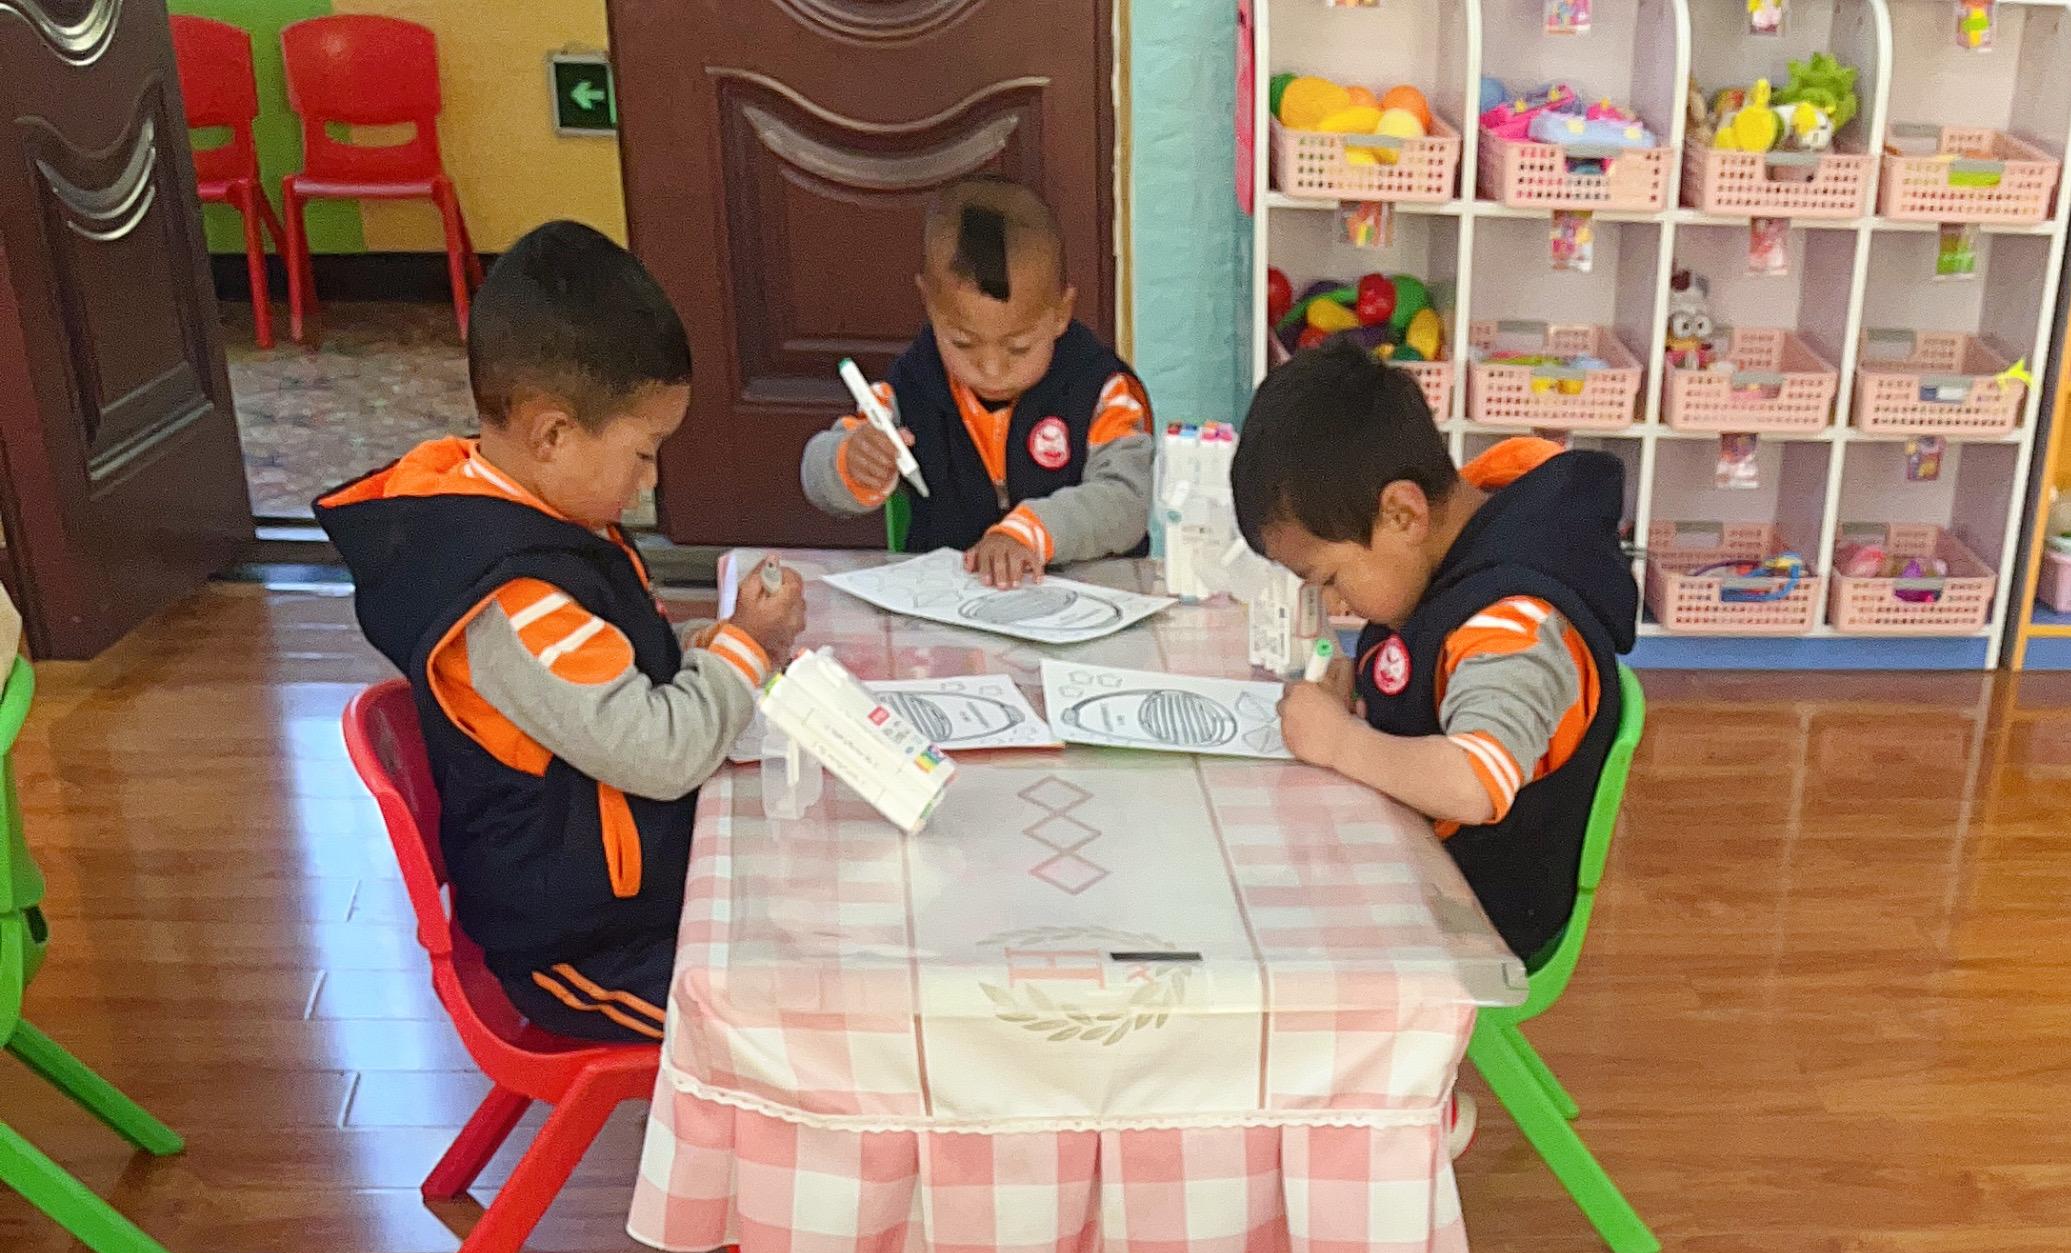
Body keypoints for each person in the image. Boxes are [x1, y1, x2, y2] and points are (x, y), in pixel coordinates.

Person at [319, 221, 806, 1050]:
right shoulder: (512, 597)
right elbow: (658, 751)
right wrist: (743, 651)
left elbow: (610, 664)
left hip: (635, 890)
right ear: (551, 435)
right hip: (582, 952)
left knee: (819, 918)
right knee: (799, 1024)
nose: (652, 480)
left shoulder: (535, 516)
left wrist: (708, 643)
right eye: (644, 453)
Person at [1232, 340, 1639, 966]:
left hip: (1473, 923)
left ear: (1402, 514)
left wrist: (1341, 742)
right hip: (1417, 865)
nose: (1331, 602)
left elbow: (1476, 781)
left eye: (1331, 579)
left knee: (1259, 924)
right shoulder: (1439, 555)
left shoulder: (1513, 624)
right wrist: (1360, 696)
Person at [800, 177, 1154, 577]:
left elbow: (1126, 503)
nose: (991, 369)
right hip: (946, 604)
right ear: (929, 304)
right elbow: (816, 475)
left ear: (1061, 312)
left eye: (1019, 347)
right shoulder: (910, 385)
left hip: (1087, 600)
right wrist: (851, 463)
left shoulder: (1103, 391)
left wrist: (1030, 533)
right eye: (963, 343)